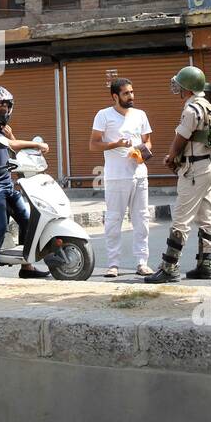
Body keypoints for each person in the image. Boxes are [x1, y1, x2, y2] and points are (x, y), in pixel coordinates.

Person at [144, 66, 211, 283]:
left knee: (181, 218)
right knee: (207, 217)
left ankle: (169, 267)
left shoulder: (191, 109)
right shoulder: (208, 106)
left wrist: (170, 156)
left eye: (180, 84)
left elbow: (181, 138)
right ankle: (205, 264)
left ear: (187, 88)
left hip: (194, 169)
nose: (177, 88)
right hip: (208, 165)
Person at [0, 86, 50, 278]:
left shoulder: (1, 130)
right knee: (0, 227)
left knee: (28, 221)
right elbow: (12, 145)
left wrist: (12, 136)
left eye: (6, 106)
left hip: (6, 186)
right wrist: (37, 144)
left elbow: (15, 150)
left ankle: (27, 268)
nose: (3, 110)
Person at [89, 77, 153, 277]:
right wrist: (115, 144)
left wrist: (142, 153)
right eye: (126, 93)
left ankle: (142, 262)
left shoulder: (140, 114)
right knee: (114, 220)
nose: (131, 96)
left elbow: (148, 142)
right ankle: (113, 264)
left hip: (139, 175)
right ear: (115, 96)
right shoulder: (103, 115)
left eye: (132, 92)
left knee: (142, 218)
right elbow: (93, 144)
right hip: (116, 177)